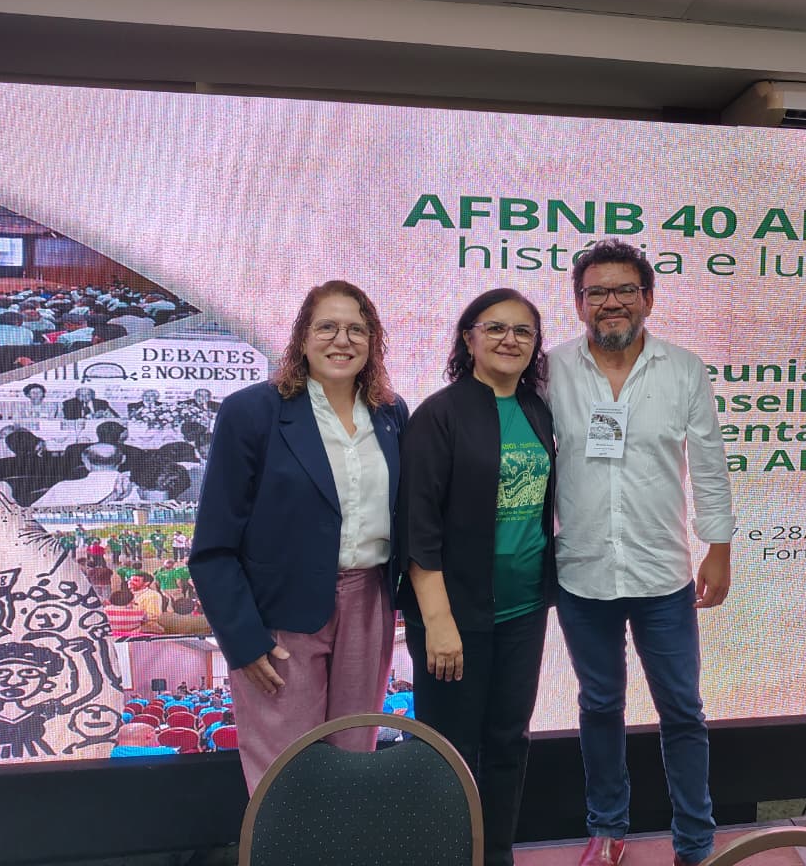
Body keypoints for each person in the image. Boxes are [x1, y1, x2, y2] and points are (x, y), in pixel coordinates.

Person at [548, 240, 734, 866]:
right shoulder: (550, 373)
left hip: (663, 575)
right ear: (578, 305)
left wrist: (719, 548)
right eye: (597, 292)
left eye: (625, 290)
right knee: (599, 706)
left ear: (648, 299)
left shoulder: (683, 369)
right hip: (583, 574)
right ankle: (608, 830)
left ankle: (695, 841)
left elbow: (709, 465)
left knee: (682, 709)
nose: (612, 303)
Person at [190, 280, 408, 792]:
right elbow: (213, 546)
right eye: (327, 327)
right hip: (279, 614)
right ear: (302, 338)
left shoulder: (391, 414)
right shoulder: (253, 412)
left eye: (357, 329)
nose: (342, 340)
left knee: (354, 764)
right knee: (284, 776)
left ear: (373, 341)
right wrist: (243, 642)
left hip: (369, 603)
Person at [398, 288, 556, 866]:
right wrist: (439, 623)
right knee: (450, 753)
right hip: (453, 618)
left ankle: (497, 856)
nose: (510, 340)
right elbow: (418, 528)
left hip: (523, 612)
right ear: (468, 339)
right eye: (496, 329)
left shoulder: (538, 409)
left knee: (508, 745)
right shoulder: (438, 415)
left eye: (523, 331)